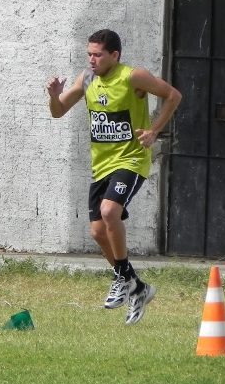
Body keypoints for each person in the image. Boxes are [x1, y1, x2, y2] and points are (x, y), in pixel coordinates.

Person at [46, 29, 182, 325]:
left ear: (114, 55)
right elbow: (58, 112)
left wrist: (154, 130)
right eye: (89, 54)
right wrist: (54, 96)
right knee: (97, 232)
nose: (91, 60)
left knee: (110, 211)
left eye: (97, 54)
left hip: (131, 160)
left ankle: (121, 277)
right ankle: (138, 286)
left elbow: (173, 95)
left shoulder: (133, 76)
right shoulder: (87, 79)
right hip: (102, 165)